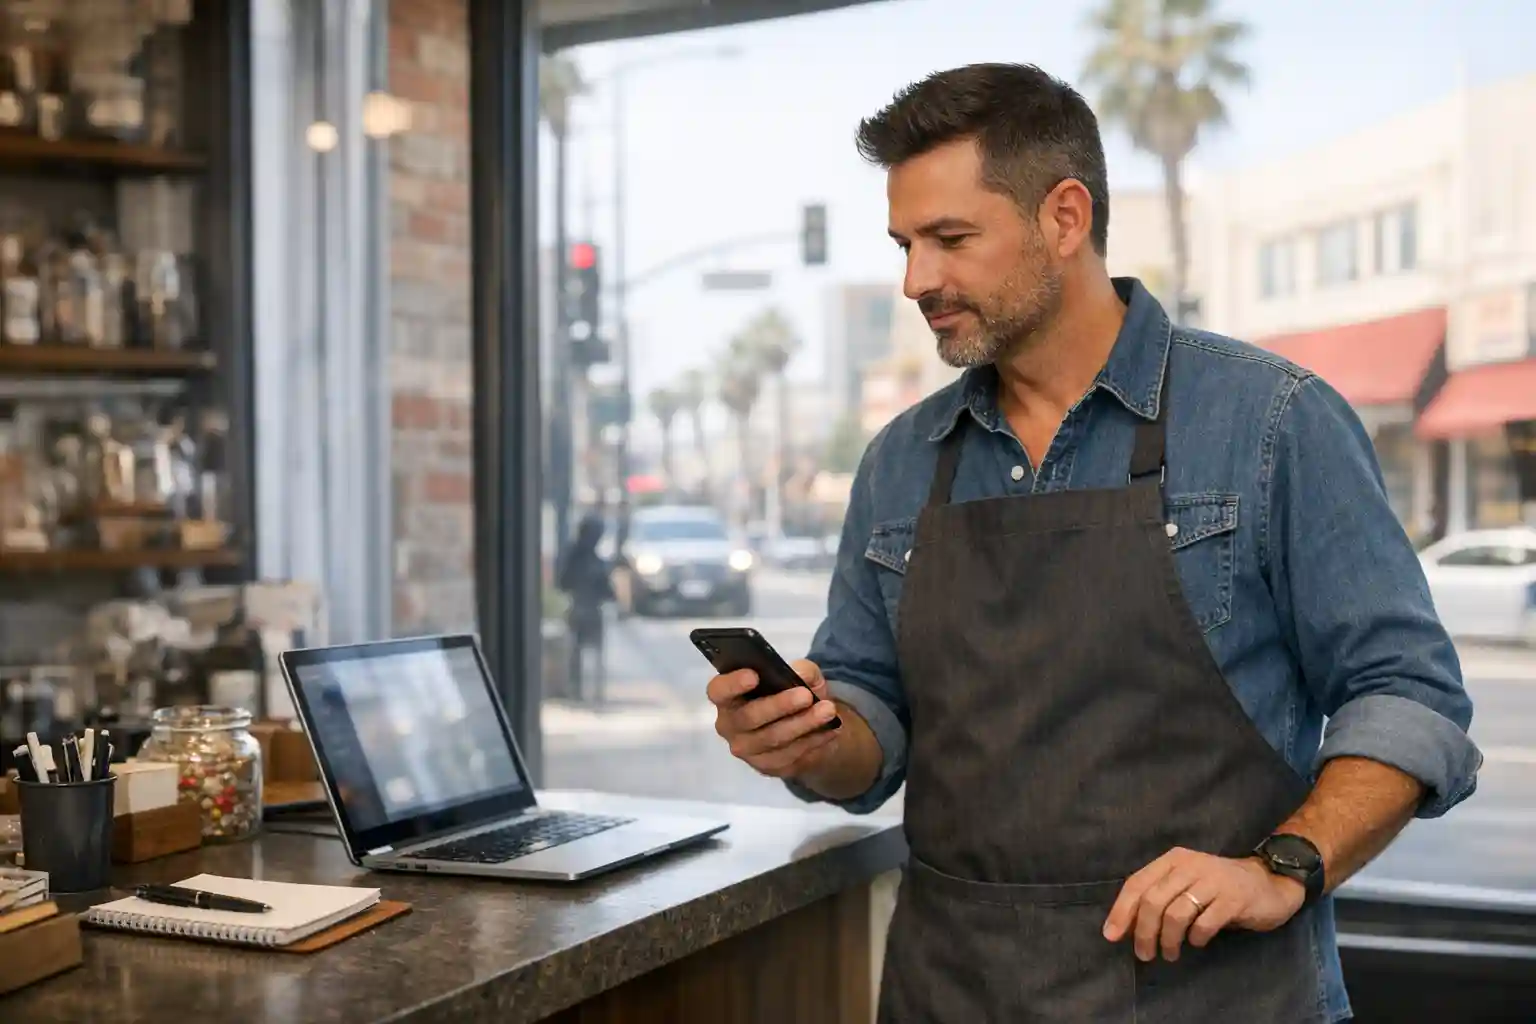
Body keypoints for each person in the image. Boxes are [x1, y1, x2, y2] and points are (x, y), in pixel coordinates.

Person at [704, 63, 1481, 1023]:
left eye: (951, 239)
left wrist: (1282, 868)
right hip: (951, 992)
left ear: (1064, 219)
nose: (917, 280)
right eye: (906, 244)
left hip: (1218, 999)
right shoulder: (901, 461)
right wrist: (806, 741)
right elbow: (872, 727)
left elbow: (1408, 694)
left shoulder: (1274, 423)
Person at [556, 513, 614, 702]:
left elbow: (563, 582)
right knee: (582, 651)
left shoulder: (577, 555)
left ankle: (582, 691)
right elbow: (606, 589)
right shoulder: (591, 558)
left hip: (582, 608)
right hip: (585, 609)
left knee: (579, 652)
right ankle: (583, 691)